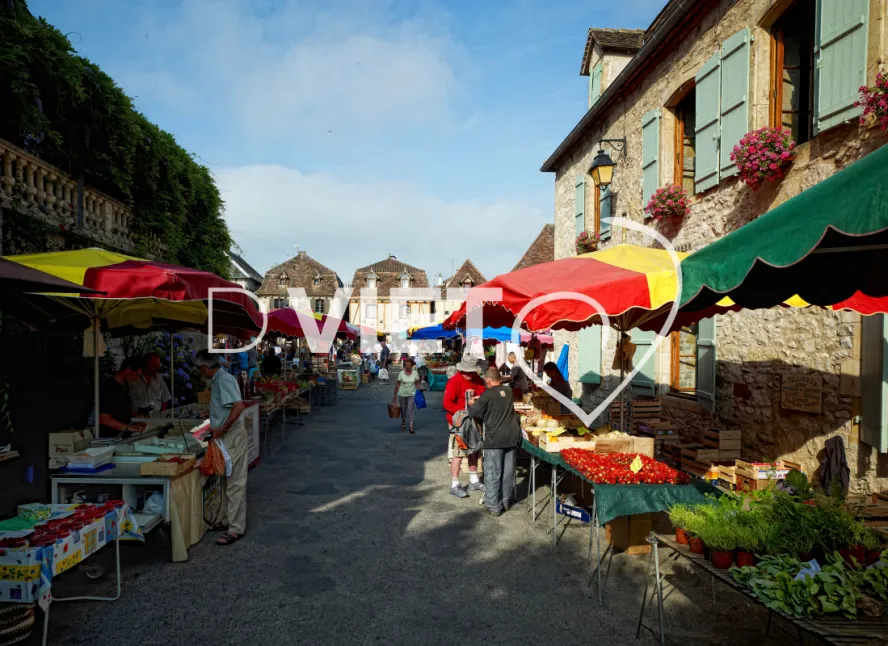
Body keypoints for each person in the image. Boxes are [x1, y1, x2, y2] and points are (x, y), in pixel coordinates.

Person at [195, 350, 248, 546]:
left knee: (235, 482)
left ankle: (235, 528)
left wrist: (223, 427)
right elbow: (228, 407)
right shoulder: (221, 379)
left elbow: (238, 406)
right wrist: (211, 413)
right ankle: (227, 520)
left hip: (231, 435)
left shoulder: (223, 379)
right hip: (226, 435)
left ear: (205, 368)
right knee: (227, 479)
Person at [468, 367, 522, 517]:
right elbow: (498, 401)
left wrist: (472, 403)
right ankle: (505, 501)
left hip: (495, 438)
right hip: (511, 436)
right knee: (507, 472)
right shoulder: (508, 391)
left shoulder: (488, 394)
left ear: (488, 380)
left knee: (493, 472)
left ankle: (493, 506)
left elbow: (474, 412)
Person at [443, 358, 487, 498]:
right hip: (459, 422)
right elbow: (447, 404)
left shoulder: (476, 379)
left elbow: (484, 392)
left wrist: (476, 394)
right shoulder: (454, 381)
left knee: (474, 449)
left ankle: (474, 479)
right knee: (459, 452)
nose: (469, 375)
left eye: (472, 372)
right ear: (461, 370)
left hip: (474, 420)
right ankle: (454, 484)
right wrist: (463, 411)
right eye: (467, 372)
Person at [98, 357, 147, 436]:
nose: (137, 378)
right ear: (128, 370)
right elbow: (104, 419)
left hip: (122, 436)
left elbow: (121, 412)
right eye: (136, 374)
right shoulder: (108, 387)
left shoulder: (124, 386)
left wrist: (137, 420)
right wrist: (130, 427)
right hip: (109, 438)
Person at [392, 358, 421, 433]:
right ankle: (403, 422)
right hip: (402, 394)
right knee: (403, 409)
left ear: (411, 366)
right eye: (406, 365)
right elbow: (398, 384)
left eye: (409, 365)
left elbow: (417, 382)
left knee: (410, 409)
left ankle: (411, 425)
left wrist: (419, 390)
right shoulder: (401, 373)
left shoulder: (415, 373)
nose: (407, 366)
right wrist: (395, 395)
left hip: (412, 393)